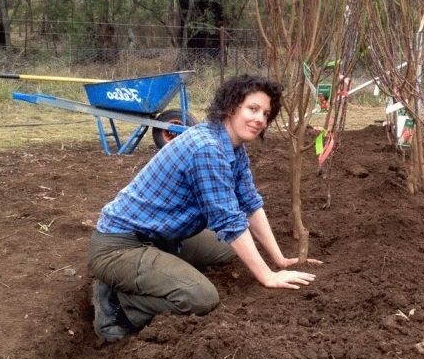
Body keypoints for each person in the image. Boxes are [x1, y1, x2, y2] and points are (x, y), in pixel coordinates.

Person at [88, 74, 321, 342]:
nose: (260, 119)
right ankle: (120, 304)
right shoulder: (206, 148)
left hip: (160, 237)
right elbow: (230, 222)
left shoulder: (233, 149)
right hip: (120, 245)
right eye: (253, 109)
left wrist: (279, 260)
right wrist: (268, 276)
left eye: (266, 114)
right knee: (200, 298)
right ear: (232, 106)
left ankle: (149, 273)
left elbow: (250, 203)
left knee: (225, 249)